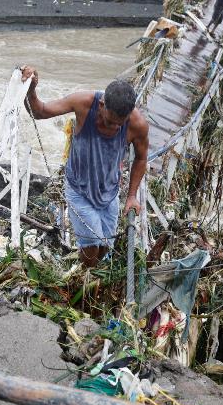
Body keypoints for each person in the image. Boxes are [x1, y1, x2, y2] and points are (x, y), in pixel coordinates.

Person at [20, 67, 149, 267]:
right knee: (90, 249)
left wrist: (132, 196)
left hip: (109, 191)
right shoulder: (83, 104)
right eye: (110, 121)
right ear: (102, 104)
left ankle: (90, 277)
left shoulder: (137, 124)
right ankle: (84, 281)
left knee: (106, 245)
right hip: (78, 189)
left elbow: (141, 159)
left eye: (119, 125)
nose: (114, 128)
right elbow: (41, 111)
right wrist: (31, 89)